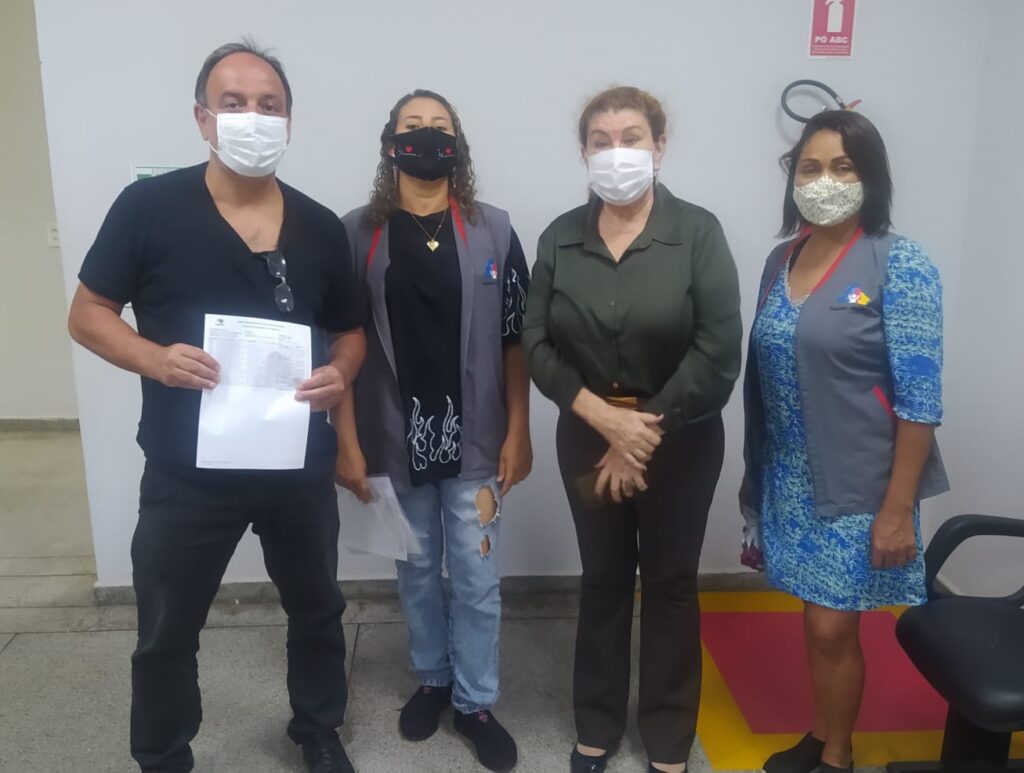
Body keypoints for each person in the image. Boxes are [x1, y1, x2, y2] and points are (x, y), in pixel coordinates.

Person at [66, 41, 365, 773]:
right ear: (203, 118)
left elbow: (351, 332)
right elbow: (88, 313)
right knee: (166, 624)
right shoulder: (149, 209)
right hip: (187, 470)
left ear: (289, 121)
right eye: (234, 104)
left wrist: (339, 371)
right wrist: (154, 358)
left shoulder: (321, 226)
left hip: (296, 462)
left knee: (318, 606)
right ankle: (163, 753)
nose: (252, 117)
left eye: (269, 105)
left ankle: (318, 726)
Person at [523, 86, 742, 773]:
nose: (616, 152)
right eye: (601, 141)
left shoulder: (698, 232)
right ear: (583, 152)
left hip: (681, 438)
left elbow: (718, 349)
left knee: (672, 580)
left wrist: (640, 431)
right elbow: (535, 342)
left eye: (632, 138)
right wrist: (602, 417)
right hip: (587, 433)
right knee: (604, 577)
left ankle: (669, 737)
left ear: (659, 146)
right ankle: (597, 723)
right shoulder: (560, 237)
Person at [740, 110, 948, 773]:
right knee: (816, 617)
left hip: (862, 481)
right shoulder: (782, 259)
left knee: (833, 624)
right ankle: (821, 731)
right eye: (810, 167)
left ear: (870, 177)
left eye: (842, 167)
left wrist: (898, 510)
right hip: (790, 475)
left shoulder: (899, 262)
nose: (823, 180)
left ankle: (837, 756)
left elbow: (920, 402)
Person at [335, 89, 532, 773]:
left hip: (478, 438)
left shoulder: (495, 230)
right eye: (412, 126)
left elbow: (514, 338)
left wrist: (520, 429)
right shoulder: (356, 233)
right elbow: (341, 342)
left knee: (476, 577)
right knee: (416, 569)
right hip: (393, 436)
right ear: (391, 143)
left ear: (458, 144)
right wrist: (346, 441)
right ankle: (433, 678)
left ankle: (475, 702)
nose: (426, 136)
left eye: (440, 126)